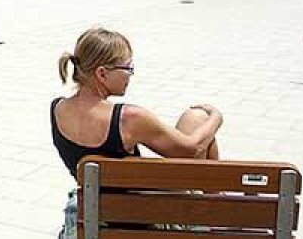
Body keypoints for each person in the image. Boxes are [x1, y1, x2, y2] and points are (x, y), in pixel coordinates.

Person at [52, 28, 223, 238]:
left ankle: (217, 205)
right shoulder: (128, 119)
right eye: (128, 67)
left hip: (96, 211)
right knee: (203, 126)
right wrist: (216, 117)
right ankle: (219, 210)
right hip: (137, 220)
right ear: (102, 74)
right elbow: (192, 150)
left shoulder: (57, 109)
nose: (131, 75)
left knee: (195, 119)